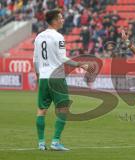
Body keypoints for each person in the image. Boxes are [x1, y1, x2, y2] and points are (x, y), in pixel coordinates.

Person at [33, 9, 92, 151]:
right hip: (56, 77)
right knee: (63, 109)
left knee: (41, 110)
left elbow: (35, 60)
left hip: (43, 77)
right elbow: (62, 58)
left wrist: (38, 76)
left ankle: (41, 143)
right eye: (60, 18)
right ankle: (55, 142)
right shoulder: (58, 36)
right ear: (54, 20)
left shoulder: (39, 37)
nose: (62, 20)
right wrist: (80, 64)